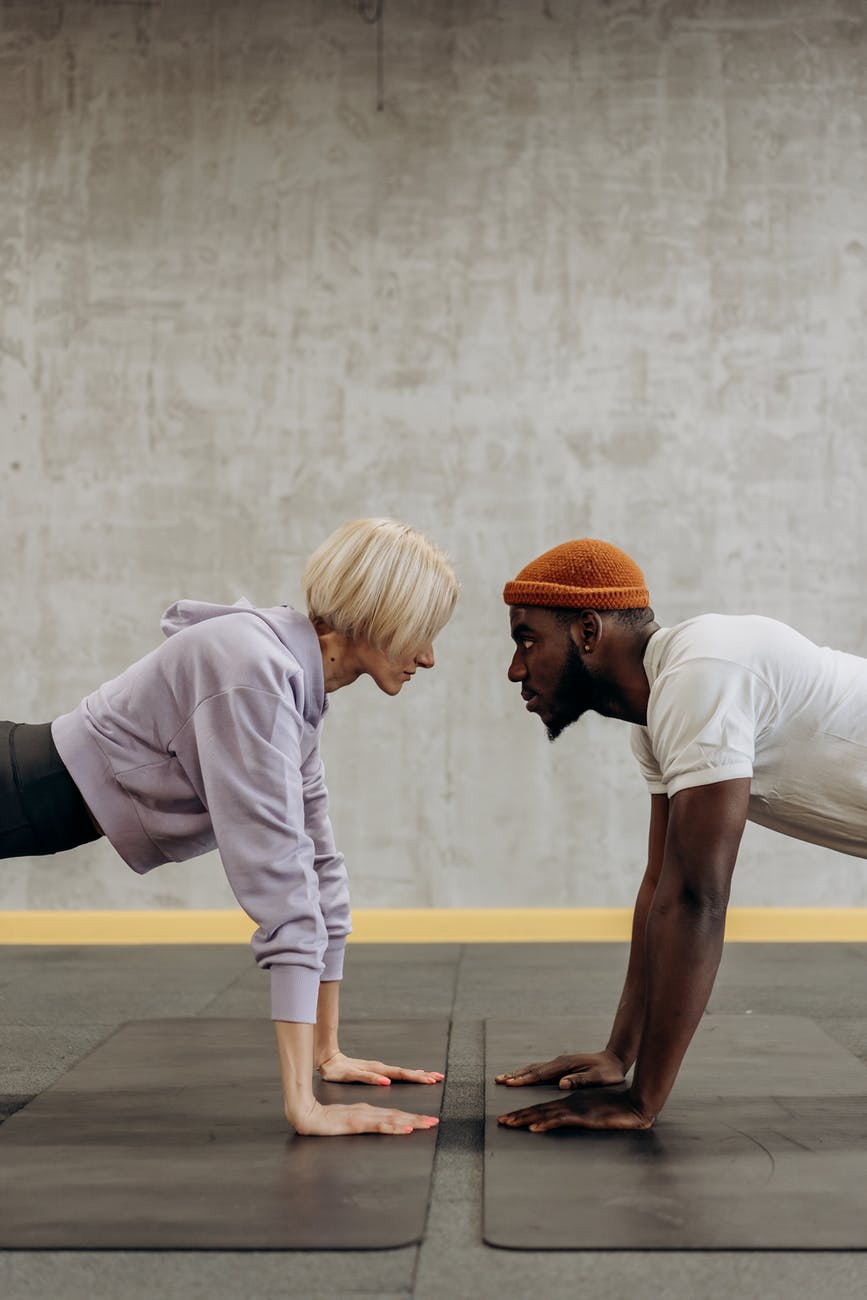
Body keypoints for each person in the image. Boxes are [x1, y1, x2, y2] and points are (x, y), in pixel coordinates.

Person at [2, 518, 458, 1138]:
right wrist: (305, 1106)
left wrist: (330, 1054)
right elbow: (277, 880)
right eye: (422, 633)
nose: (428, 656)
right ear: (377, 615)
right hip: (17, 793)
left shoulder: (290, 685)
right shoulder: (252, 674)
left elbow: (319, 867)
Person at [496, 537, 867, 1133]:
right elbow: (661, 886)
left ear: (588, 632)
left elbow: (699, 896)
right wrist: (619, 1055)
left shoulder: (701, 673)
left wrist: (643, 1101)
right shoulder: (660, 711)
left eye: (526, 639)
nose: (515, 669)